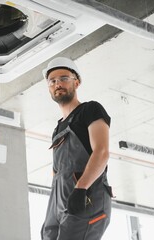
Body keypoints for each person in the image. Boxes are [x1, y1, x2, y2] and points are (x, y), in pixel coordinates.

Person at [41, 57, 113, 240]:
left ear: (76, 82)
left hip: (85, 196)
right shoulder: (57, 128)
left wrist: (80, 189)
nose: (58, 84)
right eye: (53, 81)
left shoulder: (90, 110)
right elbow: (57, 171)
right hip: (58, 202)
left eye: (64, 78)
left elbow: (102, 152)